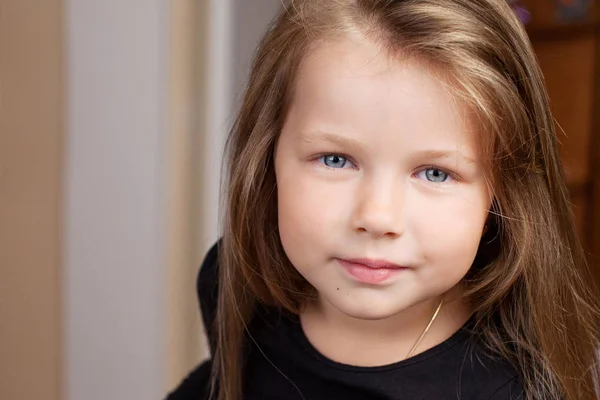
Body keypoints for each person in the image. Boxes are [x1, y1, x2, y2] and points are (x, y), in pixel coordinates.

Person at [168, 1, 600, 399]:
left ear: (502, 191)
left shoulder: (510, 388)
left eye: (435, 173)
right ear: (267, 157)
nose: (377, 217)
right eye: (336, 159)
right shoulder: (235, 285)